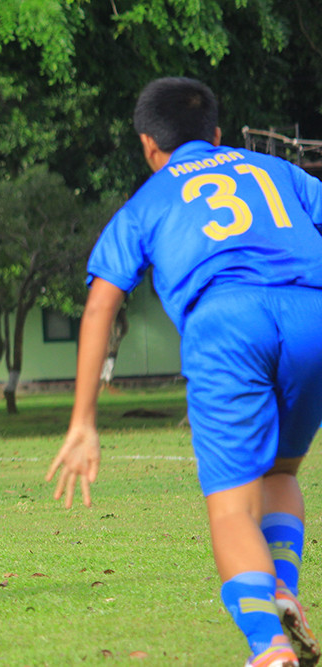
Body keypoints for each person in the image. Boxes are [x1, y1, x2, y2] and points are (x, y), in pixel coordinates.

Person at [45, 77, 322, 667]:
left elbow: (101, 304)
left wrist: (83, 421)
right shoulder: (279, 171)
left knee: (231, 507)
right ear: (217, 133)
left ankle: (270, 647)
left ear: (149, 145)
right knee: (281, 472)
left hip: (228, 325)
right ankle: (282, 588)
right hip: (312, 316)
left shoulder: (148, 201)